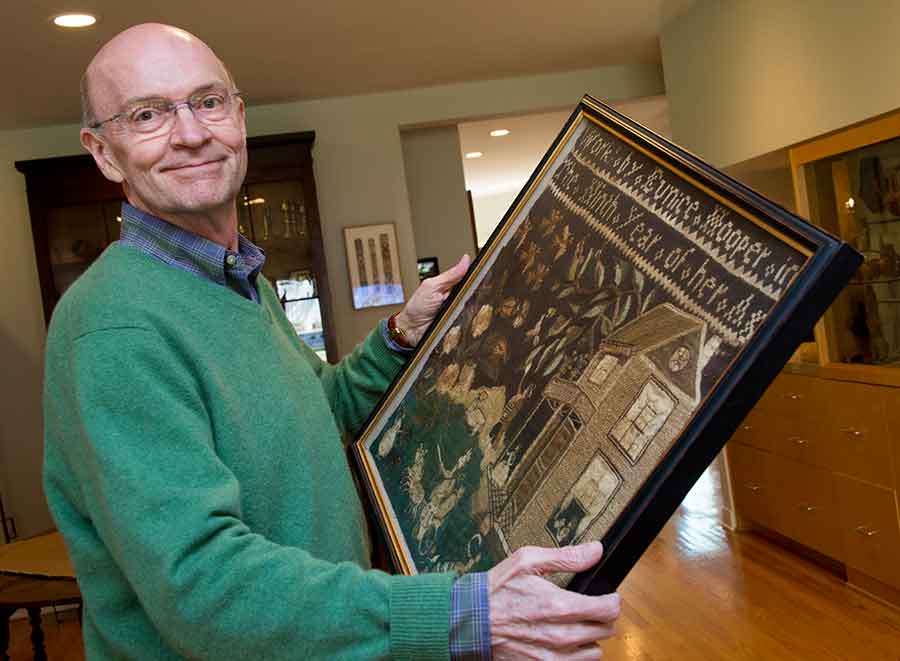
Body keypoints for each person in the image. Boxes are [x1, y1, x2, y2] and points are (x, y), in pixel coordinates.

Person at [42, 23, 621, 660]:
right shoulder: (112, 326)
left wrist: (402, 335)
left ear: (238, 115)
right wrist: (461, 613)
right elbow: (203, 589)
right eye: (147, 115)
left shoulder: (239, 282)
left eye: (207, 101)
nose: (190, 132)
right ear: (102, 152)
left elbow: (313, 412)